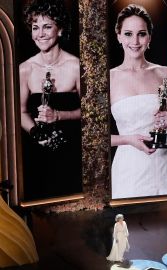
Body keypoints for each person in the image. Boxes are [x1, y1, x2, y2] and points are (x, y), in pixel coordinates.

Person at [19, 0, 82, 200]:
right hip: (37, 154)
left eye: (47, 26)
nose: (40, 34)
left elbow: (91, 112)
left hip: (72, 152)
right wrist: (36, 132)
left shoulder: (75, 66)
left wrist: (58, 115)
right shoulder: (25, 69)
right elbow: (20, 112)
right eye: (35, 27)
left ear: (60, 29)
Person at [110, 4, 167, 199]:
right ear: (118, 36)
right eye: (128, 34)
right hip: (129, 171)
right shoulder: (107, 79)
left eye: (141, 34)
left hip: (164, 165)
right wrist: (127, 139)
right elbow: (93, 138)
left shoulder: (165, 73)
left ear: (149, 37)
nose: (134, 41)